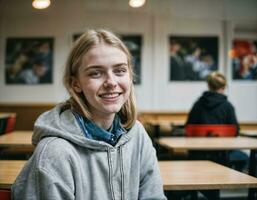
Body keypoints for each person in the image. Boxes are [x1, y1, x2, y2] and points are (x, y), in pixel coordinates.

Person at [11, 29, 167, 200]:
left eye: (120, 70)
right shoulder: (54, 154)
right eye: (96, 73)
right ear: (75, 83)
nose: (111, 82)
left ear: (130, 76)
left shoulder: (137, 134)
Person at [186, 71, 248, 171]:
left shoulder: (198, 105)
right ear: (223, 87)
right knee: (244, 157)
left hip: (198, 154)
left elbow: (188, 129)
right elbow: (235, 131)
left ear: (209, 86)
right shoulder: (228, 106)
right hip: (222, 156)